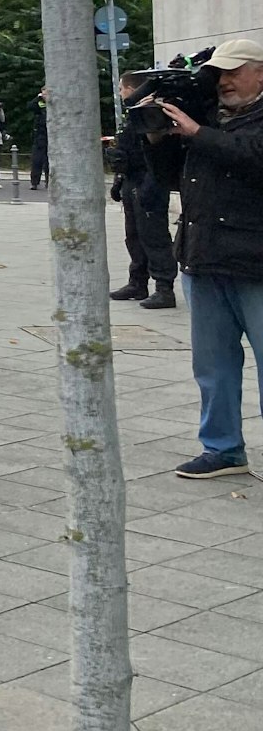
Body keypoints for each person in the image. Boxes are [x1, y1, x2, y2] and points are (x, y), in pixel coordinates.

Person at [144, 38, 263, 478]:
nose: (223, 81)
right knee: (213, 367)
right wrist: (158, 137)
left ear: (261, 73)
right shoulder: (209, 116)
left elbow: (253, 156)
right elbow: (171, 178)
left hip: (255, 264)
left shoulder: (216, 126)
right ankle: (223, 449)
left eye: (233, 71)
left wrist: (198, 133)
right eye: (219, 73)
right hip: (204, 257)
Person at [110, 77, 178, 310]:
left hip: (148, 180)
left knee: (153, 235)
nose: (120, 93)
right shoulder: (133, 113)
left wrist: (151, 183)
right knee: (134, 235)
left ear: (131, 89)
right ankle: (138, 282)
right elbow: (127, 149)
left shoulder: (151, 111)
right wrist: (119, 179)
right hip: (132, 179)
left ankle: (164, 287)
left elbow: (157, 153)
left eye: (121, 88)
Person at [30, 87, 51, 189]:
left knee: (49, 161)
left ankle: (49, 181)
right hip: (40, 134)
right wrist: (38, 98)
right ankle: (34, 182)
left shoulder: (54, 103)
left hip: (51, 134)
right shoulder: (39, 103)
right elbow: (30, 107)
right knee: (37, 160)